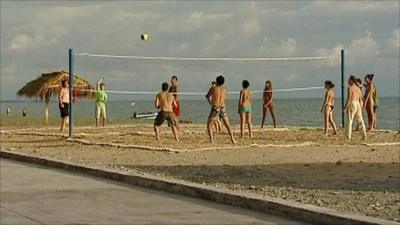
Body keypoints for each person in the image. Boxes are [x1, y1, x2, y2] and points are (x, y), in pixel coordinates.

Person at [206, 75, 236, 144]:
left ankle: (211, 140)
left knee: (209, 124)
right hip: (222, 107)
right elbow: (224, 98)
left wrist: (210, 102)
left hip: (215, 107)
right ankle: (232, 139)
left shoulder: (213, 88)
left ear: (216, 81)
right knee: (227, 124)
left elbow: (207, 96)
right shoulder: (224, 89)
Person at [345, 75, 366, 141]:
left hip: (352, 103)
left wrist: (345, 107)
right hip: (358, 104)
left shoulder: (350, 88)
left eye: (349, 80)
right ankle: (364, 134)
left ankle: (348, 137)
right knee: (360, 120)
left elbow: (349, 99)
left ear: (352, 81)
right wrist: (361, 106)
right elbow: (361, 99)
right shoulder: (358, 88)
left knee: (349, 121)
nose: (348, 81)